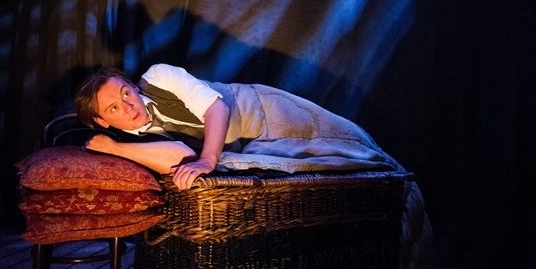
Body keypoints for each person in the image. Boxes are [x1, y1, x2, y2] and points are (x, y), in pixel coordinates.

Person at [74, 63, 393, 190]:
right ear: (102, 121)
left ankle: (401, 177)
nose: (128, 106)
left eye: (125, 93)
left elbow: (216, 106)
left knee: (353, 138)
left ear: (131, 84)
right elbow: (180, 155)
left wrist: (208, 159)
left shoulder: (158, 77)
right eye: (114, 107)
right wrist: (115, 148)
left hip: (263, 109)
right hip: (254, 147)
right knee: (347, 159)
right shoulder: (124, 141)